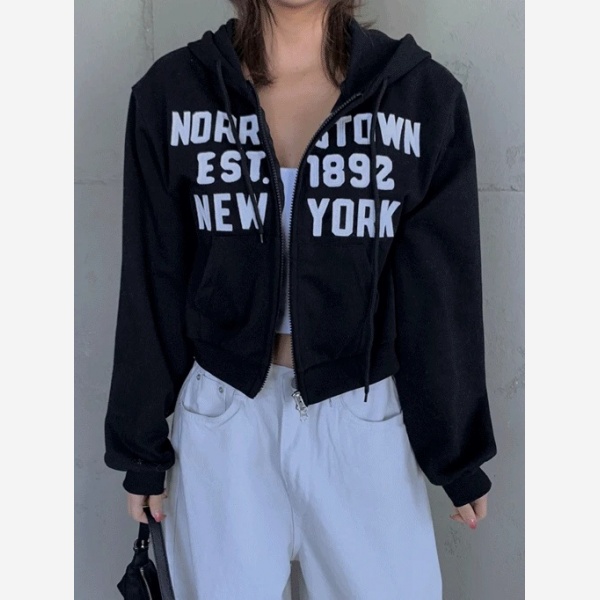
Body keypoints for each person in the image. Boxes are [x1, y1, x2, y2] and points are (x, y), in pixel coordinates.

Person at [104, 1, 497, 597]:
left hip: (362, 416)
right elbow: (153, 276)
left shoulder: (420, 98)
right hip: (223, 419)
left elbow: (438, 292)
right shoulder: (173, 94)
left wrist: (457, 453)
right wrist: (140, 448)